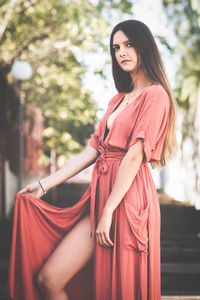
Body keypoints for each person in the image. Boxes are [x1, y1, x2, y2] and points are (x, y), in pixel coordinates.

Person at [9, 19, 177, 300]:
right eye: (116, 47)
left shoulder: (156, 95)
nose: (121, 52)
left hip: (128, 197)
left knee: (121, 289)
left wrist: (109, 211)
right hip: (100, 198)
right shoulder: (118, 99)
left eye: (129, 44)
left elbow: (135, 155)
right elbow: (93, 150)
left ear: (144, 46)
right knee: (49, 279)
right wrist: (44, 184)